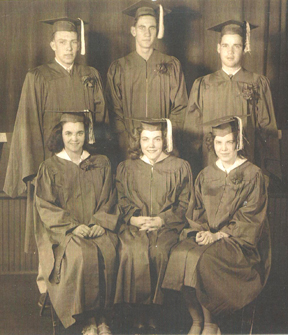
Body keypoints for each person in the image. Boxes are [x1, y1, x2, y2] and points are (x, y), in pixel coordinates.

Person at [3, 17, 107, 299]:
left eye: (73, 42)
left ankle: (78, 289)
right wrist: (36, 171)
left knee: (82, 226)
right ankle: (47, 288)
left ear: (79, 44)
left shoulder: (90, 75)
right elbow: (26, 124)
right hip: (49, 167)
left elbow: (100, 122)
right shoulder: (38, 77)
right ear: (52, 45)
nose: (69, 48)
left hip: (82, 166)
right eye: (63, 42)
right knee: (49, 226)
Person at [163, 116, 271, 335]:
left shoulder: (253, 174)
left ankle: (211, 324)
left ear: (238, 143)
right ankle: (197, 320)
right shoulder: (206, 174)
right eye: (218, 142)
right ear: (212, 144)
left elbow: (250, 217)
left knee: (205, 259)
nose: (223, 148)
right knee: (180, 253)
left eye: (228, 142)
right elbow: (197, 210)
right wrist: (200, 232)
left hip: (240, 243)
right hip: (209, 236)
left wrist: (219, 235)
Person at [34, 113, 119, 335]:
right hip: (62, 233)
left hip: (96, 227)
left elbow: (109, 197)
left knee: (110, 251)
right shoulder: (49, 166)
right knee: (82, 255)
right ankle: (88, 319)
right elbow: (46, 207)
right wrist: (72, 226)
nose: (74, 139)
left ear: (86, 134)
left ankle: (103, 317)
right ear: (60, 135)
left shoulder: (100, 163)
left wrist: (100, 222)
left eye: (80, 133)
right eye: (69, 133)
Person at [114, 119, 193, 334]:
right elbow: (120, 199)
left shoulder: (179, 166)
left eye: (157, 139)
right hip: (135, 226)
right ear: (137, 141)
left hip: (167, 227)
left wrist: (162, 220)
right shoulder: (126, 167)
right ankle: (138, 311)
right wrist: (132, 219)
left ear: (165, 140)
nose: (151, 145)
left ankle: (157, 312)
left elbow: (186, 203)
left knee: (160, 252)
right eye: (145, 139)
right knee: (133, 250)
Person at [183, 20, 281, 181]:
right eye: (226, 45)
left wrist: (267, 170)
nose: (230, 51)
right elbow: (192, 133)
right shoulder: (202, 84)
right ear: (218, 48)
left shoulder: (258, 83)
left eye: (236, 46)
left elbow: (267, 129)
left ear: (244, 49)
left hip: (248, 166)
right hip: (209, 167)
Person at [106, 1, 188, 163]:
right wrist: (128, 140)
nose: (147, 33)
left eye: (152, 28)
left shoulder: (171, 64)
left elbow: (180, 107)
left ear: (157, 31)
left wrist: (165, 138)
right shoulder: (120, 67)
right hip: (129, 146)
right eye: (142, 28)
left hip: (162, 145)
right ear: (133, 31)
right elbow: (114, 110)